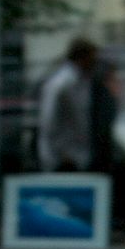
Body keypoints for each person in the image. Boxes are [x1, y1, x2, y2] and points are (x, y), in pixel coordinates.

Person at [37, 38, 98, 172]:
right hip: (63, 159)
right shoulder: (62, 84)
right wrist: (61, 152)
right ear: (82, 58)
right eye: (92, 59)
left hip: (76, 156)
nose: (95, 63)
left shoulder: (82, 81)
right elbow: (49, 121)